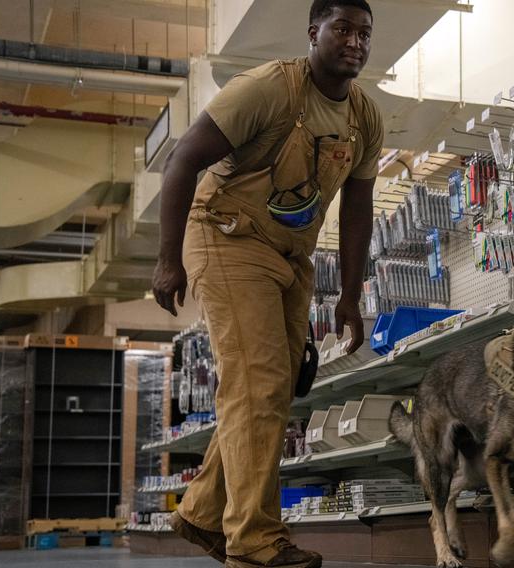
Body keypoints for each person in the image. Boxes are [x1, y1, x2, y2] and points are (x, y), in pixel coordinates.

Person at [151, 0, 382, 566]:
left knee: (273, 389)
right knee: (259, 381)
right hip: (228, 236)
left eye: (364, 33)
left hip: (292, 257)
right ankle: (254, 542)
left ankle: (204, 512)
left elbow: (358, 209)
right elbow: (183, 159)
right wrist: (166, 260)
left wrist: (349, 296)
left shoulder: (365, 118)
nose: (354, 41)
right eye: (342, 29)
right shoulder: (268, 90)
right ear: (314, 33)